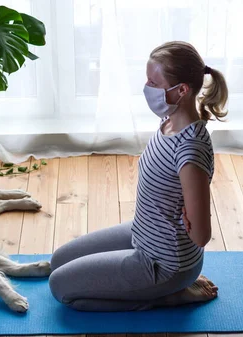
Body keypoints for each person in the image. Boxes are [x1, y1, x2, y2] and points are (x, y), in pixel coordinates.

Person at [48, 41, 228, 312]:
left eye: (154, 83)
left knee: (60, 288)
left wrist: (192, 216)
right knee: (57, 261)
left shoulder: (191, 150)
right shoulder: (168, 121)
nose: (147, 88)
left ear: (181, 90)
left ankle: (170, 295)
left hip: (164, 265)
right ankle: (166, 287)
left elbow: (201, 236)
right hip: (142, 231)